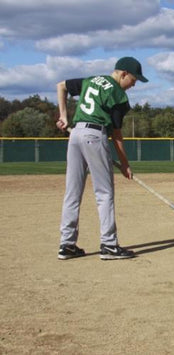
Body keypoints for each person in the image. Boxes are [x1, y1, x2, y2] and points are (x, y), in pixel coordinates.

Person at [55, 56, 148, 260]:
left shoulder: (91, 80)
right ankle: (109, 245)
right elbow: (116, 134)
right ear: (123, 74)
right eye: (133, 80)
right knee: (104, 193)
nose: (133, 85)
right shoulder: (118, 95)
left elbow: (61, 86)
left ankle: (67, 244)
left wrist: (63, 116)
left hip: (76, 135)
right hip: (95, 135)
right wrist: (125, 164)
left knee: (72, 192)